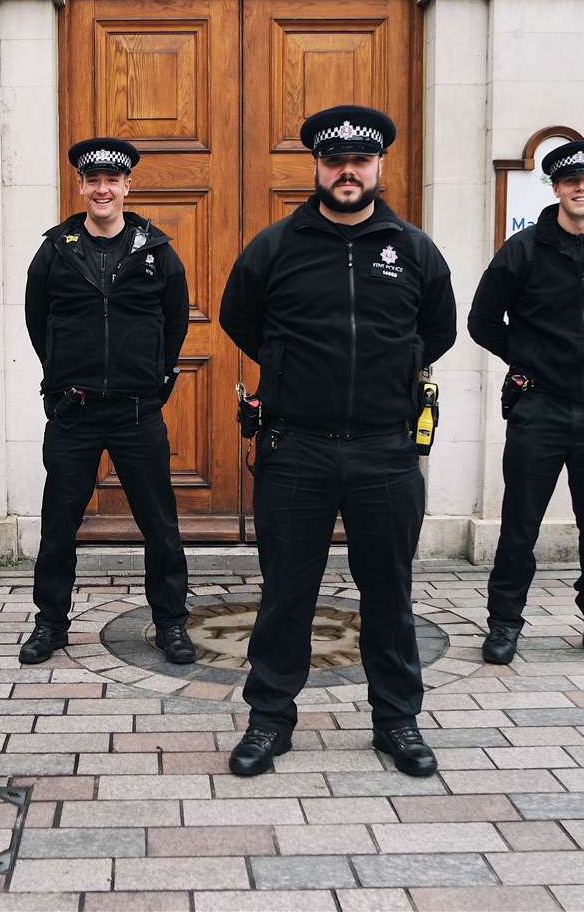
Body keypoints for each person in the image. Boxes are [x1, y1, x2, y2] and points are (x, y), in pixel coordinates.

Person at [219, 105, 457, 777]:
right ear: (317, 168)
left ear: (379, 166)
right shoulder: (276, 246)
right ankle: (270, 720)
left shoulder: (412, 249)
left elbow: (437, 329)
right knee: (287, 593)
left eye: (360, 161)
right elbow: (241, 319)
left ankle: (397, 722)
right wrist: (294, 373)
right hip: (296, 449)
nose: (347, 172)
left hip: (386, 448)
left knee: (389, 592)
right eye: (334, 161)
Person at [467, 138, 584, 667]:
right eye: (571, 181)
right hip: (539, 409)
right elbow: (482, 323)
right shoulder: (523, 251)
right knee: (520, 523)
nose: (582, 189)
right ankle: (504, 624)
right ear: (555, 188)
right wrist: (528, 361)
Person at [20, 137, 194, 666]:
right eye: (93, 180)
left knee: (159, 525)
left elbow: (176, 323)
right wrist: (59, 375)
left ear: (127, 186)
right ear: (81, 186)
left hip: (137, 411)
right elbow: (36, 321)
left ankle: (170, 623)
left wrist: (155, 378)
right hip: (74, 412)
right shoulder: (55, 250)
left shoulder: (157, 251)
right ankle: (50, 624)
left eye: (112, 180)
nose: (102, 189)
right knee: (58, 525)